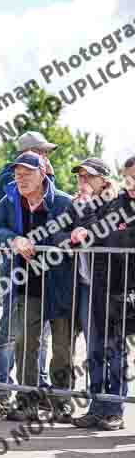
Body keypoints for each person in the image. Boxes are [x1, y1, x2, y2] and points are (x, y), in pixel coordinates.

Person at [0, 151, 77, 423]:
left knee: (62, 347)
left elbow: (82, 231)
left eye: (27, 173)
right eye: (18, 174)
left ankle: (61, 404)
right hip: (27, 284)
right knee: (26, 343)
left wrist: (65, 238)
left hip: (60, 285)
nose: (21, 179)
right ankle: (27, 403)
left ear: (43, 174)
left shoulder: (63, 202)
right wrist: (14, 240)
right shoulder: (10, 199)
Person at [65, 157, 133, 430]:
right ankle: (96, 406)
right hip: (89, 286)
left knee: (115, 350)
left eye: (88, 177)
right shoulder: (81, 204)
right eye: (80, 177)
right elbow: (61, 234)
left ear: (103, 179)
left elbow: (104, 237)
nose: (83, 182)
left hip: (116, 288)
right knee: (94, 349)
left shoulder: (118, 204)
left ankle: (114, 409)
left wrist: (85, 220)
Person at [0, 131, 57, 204]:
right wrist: (50, 176)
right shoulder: (9, 177)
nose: (46, 155)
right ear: (30, 152)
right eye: (43, 151)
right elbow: (43, 204)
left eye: (47, 152)